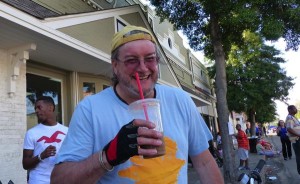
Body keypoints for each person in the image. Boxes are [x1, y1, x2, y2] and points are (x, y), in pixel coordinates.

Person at [50, 25, 224, 183]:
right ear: (115, 66)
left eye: (149, 58)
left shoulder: (181, 99)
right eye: (132, 60)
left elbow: (204, 163)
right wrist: (108, 156)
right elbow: (59, 180)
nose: (142, 68)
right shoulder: (90, 109)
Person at [22, 96, 68, 184]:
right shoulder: (31, 133)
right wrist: (41, 156)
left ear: (51, 108)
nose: (36, 111)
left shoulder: (67, 131)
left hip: (61, 179)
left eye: (39, 107)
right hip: (39, 180)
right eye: (35, 108)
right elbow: (25, 164)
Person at [286, 105, 300, 177]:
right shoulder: (289, 117)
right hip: (297, 140)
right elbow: (289, 129)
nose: (296, 109)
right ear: (290, 110)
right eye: (294, 108)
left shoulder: (294, 117)